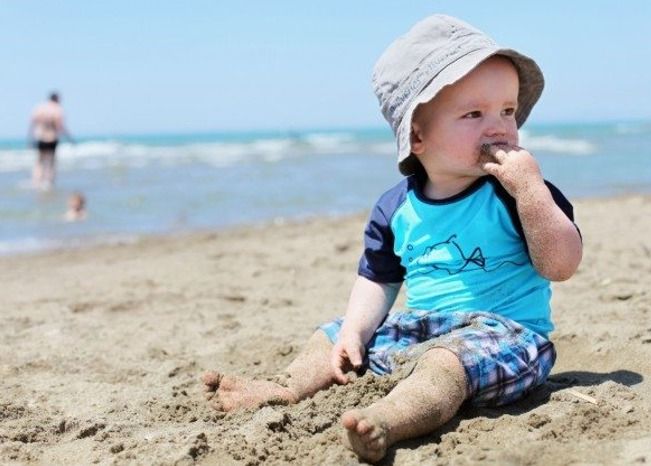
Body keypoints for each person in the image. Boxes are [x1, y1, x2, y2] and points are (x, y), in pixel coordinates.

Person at [202, 14, 583, 463]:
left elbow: (561, 265)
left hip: (506, 337)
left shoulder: (517, 193)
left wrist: (532, 192)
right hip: (422, 328)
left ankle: (389, 418)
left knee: (444, 363)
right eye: (474, 114)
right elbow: (378, 279)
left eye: (507, 110)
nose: (499, 127)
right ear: (417, 136)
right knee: (332, 334)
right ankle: (287, 387)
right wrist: (354, 331)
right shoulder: (396, 207)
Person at [27, 92, 73, 189]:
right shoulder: (57, 109)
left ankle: (36, 181)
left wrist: (30, 138)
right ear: (57, 99)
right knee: (51, 161)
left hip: (40, 137)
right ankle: (49, 182)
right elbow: (60, 126)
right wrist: (69, 138)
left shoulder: (40, 107)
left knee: (39, 161)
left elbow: (32, 123)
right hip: (52, 138)